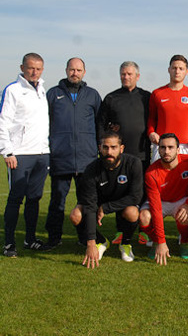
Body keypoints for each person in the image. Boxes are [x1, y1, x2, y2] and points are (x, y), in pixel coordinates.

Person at [45, 57, 101, 248]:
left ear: (84, 72)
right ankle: (54, 238)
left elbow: (99, 125)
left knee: (86, 202)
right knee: (57, 201)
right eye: (71, 69)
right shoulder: (53, 94)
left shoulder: (92, 95)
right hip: (61, 158)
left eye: (78, 70)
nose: (74, 73)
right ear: (66, 70)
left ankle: (84, 237)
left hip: (87, 160)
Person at [0, 53, 50, 257]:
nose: (34, 72)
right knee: (15, 199)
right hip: (20, 155)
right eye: (30, 68)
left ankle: (30, 239)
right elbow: (3, 121)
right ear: (22, 67)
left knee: (34, 198)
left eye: (38, 68)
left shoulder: (43, 90)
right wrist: (8, 152)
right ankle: (9, 243)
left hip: (41, 153)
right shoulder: (13, 90)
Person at [97, 61, 151, 246]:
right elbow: (101, 125)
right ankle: (121, 232)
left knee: (143, 195)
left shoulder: (146, 97)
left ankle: (144, 231)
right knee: (120, 194)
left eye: (129, 74)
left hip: (142, 155)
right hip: (118, 159)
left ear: (137, 76)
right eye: (123, 74)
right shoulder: (111, 98)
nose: (126, 77)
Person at [71, 132, 143, 268]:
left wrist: (106, 208)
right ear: (100, 148)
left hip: (122, 202)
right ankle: (101, 241)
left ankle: (125, 243)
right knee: (76, 215)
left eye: (114, 147)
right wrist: (90, 242)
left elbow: (135, 197)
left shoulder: (134, 163)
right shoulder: (92, 169)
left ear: (121, 148)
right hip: (97, 201)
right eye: (105, 147)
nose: (109, 152)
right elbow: (90, 205)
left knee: (133, 212)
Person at [139, 133, 188, 265]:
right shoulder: (151, 173)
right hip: (160, 201)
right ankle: (156, 242)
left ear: (178, 149)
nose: (166, 151)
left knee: (184, 215)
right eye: (162, 147)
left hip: (181, 199)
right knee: (144, 217)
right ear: (158, 149)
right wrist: (161, 241)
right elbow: (156, 208)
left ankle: (184, 241)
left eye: (170, 147)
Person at [147, 55, 188, 162]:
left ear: (186, 71)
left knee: (185, 178)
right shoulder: (157, 93)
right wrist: (151, 133)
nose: (177, 71)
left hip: (186, 145)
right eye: (174, 68)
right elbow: (151, 118)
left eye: (181, 69)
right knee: (160, 178)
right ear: (169, 70)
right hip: (163, 146)